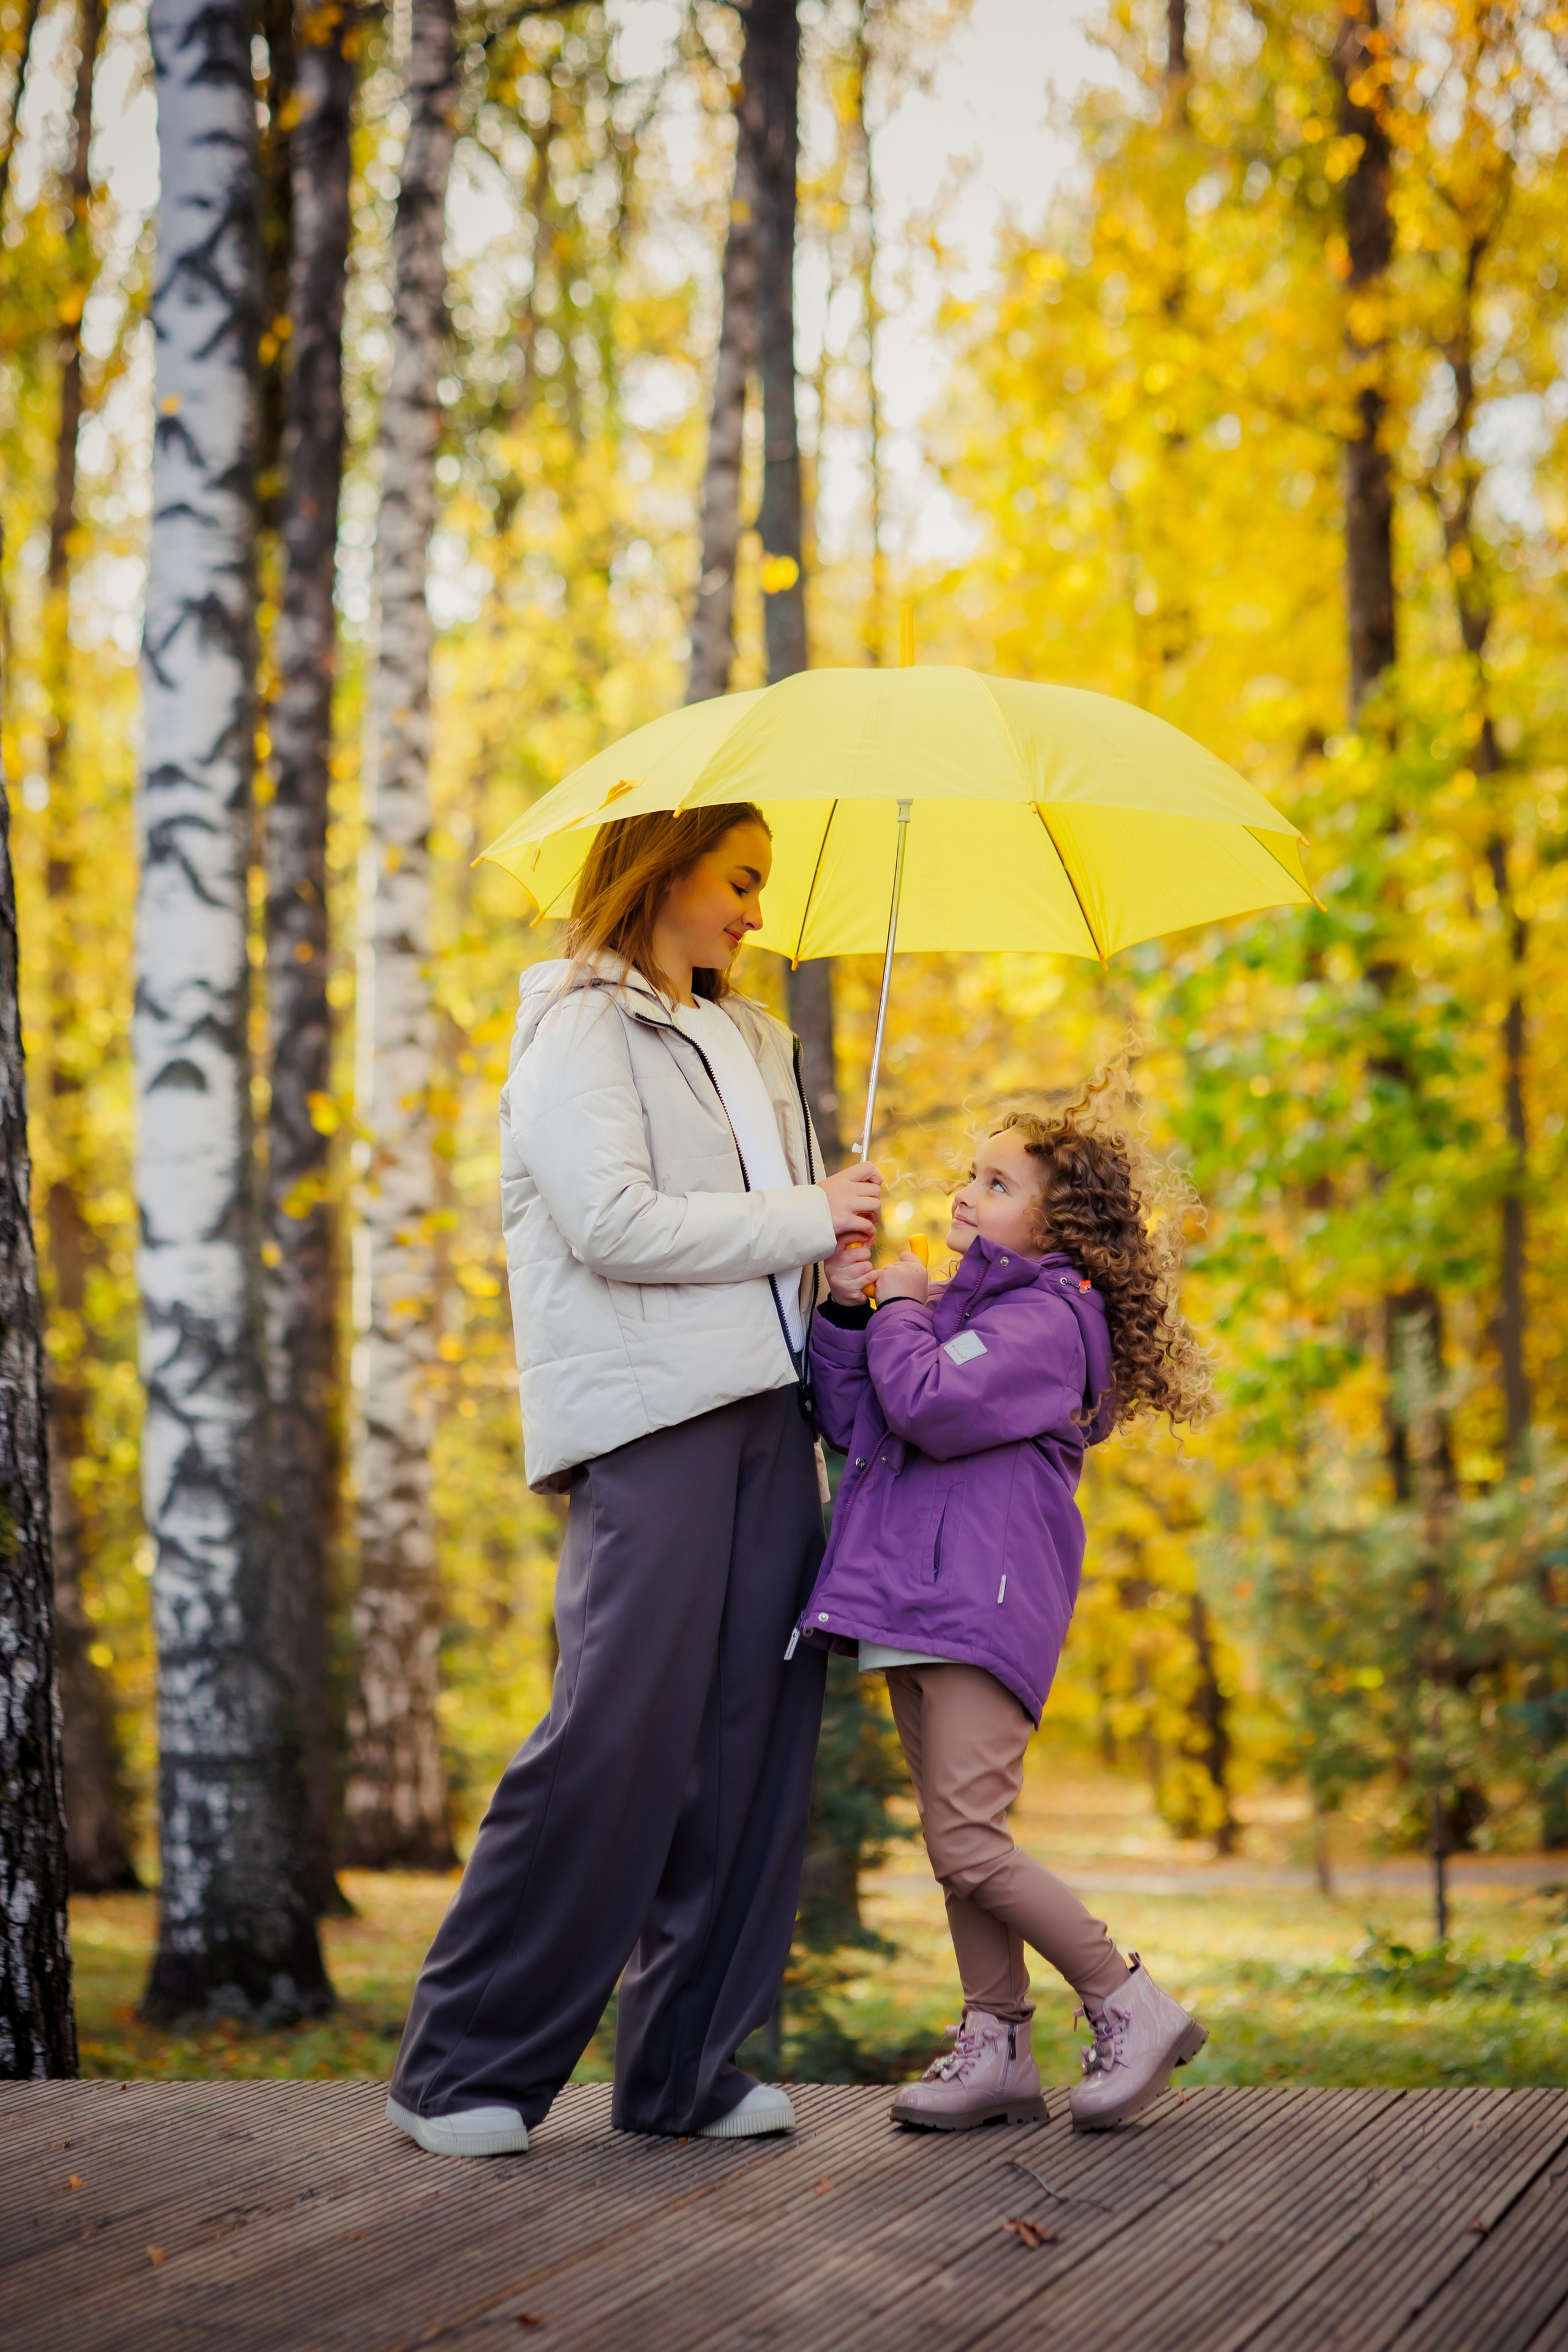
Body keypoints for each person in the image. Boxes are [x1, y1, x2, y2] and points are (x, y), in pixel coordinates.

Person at [387, 803, 881, 2158]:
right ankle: (460, 2067)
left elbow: (763, 1235)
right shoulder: (575, 1028)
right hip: (652, 1415)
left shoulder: (756, 1039)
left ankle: (683, 2072)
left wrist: (828, 1262)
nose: (754, 912)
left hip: (773, 1415)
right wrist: (798, 1213)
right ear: (659, 869)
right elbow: (611, 1224)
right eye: (738, 879)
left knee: (750, 1751)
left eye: (763, 885)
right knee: (615, 1732)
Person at [794, 1077, 1214, 2131]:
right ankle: (998, 2044)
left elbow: (931, 1405)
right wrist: (853, 1308)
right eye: (968, 1175)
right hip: (912, 1599)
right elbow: (858, 1421)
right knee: (954, 1843)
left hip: (979, 1604)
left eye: (996, 1181)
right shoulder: (955, 1309)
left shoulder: (1048, 1319)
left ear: (1061, 1221)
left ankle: (1128, 1996)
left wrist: (898, 1306)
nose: (966, 1194)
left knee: (971, 1839)